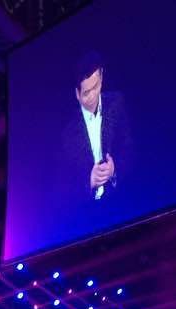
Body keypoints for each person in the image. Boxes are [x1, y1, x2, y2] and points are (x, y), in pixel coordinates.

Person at [59, 51, 133, 206]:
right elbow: (61, 182)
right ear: (77, 93)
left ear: (102, 77)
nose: (93, 96)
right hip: (85, 209)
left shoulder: (116, 103)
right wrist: (89, 182)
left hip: (121, 200)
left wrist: (114, 169)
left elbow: (130, 150)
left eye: (96, 86)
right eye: (86, 93)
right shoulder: (66, 130)